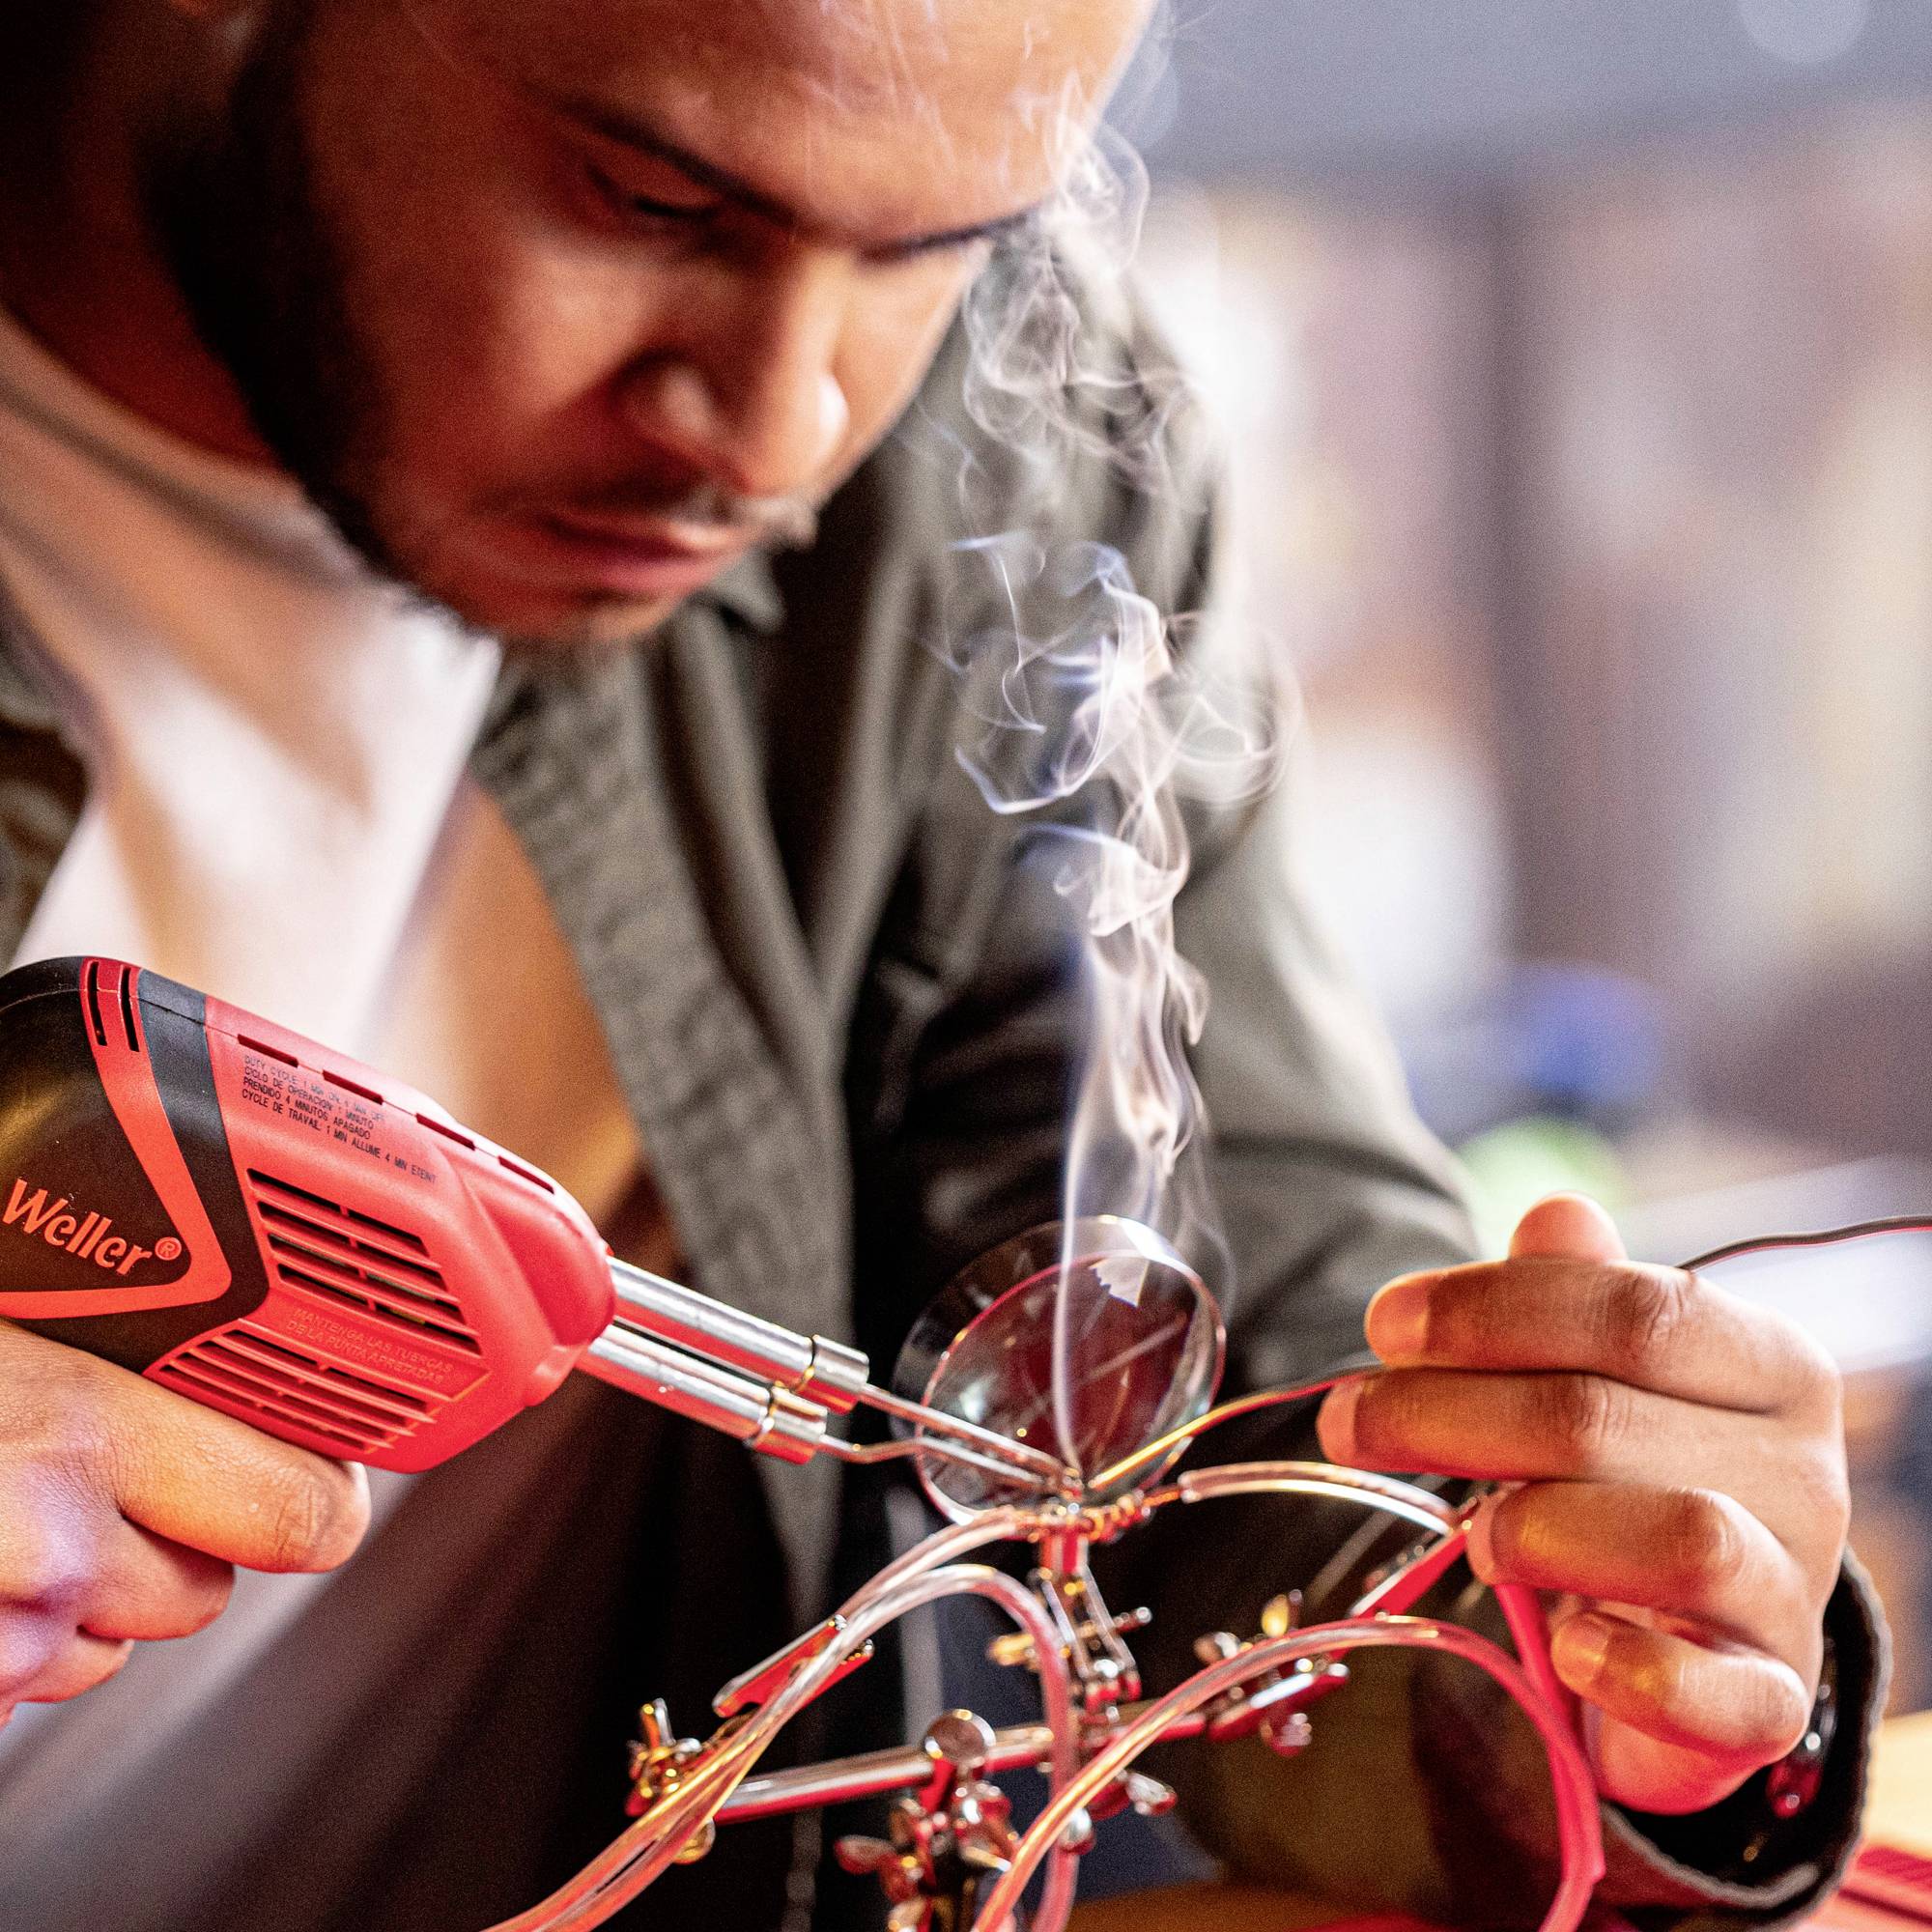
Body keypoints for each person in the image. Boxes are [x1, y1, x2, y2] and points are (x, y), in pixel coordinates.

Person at [0, 3, 1881, 1928]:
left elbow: (1231, 1401)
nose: (779, 433)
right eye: (654, 202)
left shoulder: (1004, 474)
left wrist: (1607, 1650)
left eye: (934, 247)